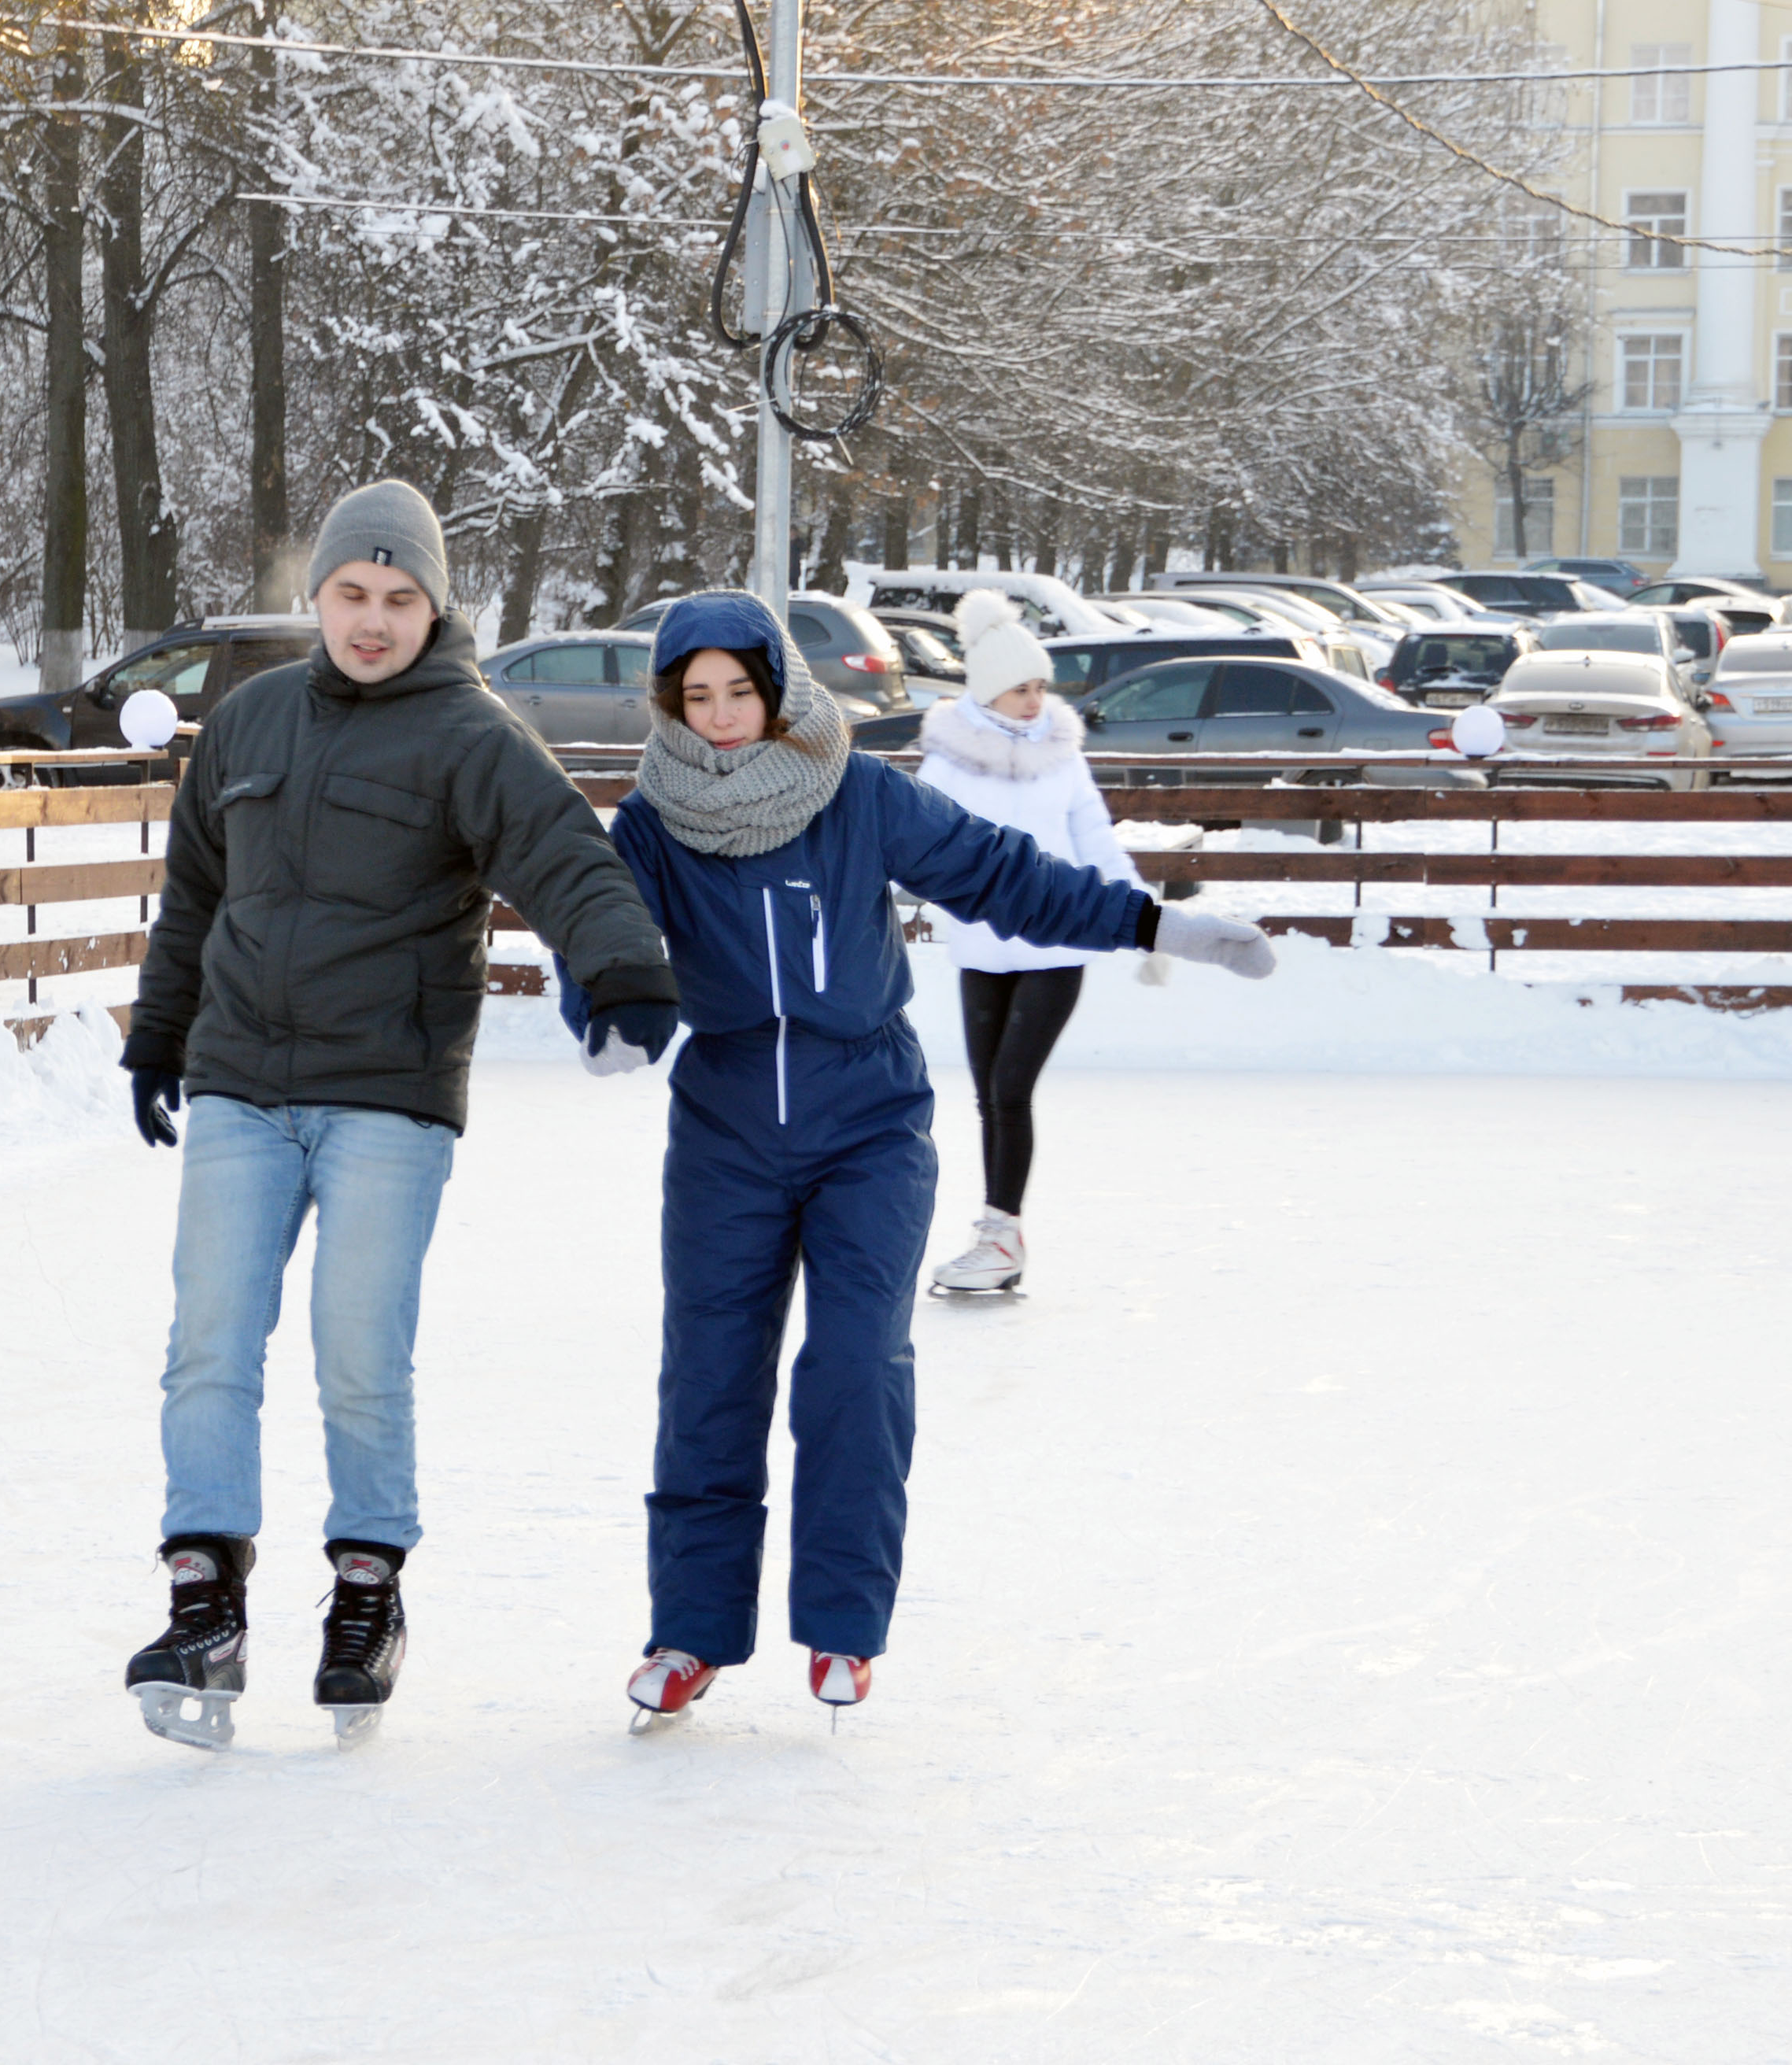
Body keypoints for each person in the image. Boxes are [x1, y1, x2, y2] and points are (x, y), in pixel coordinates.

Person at [571, 589, 1273, 1730]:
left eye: (738, 691)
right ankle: (690, 1630)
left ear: (778, 687)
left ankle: (842, 1630)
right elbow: (604, 929)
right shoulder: (652, 823)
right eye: (694, 698)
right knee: (708, 1376)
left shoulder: (857, 794)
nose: (719, 718)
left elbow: (1007, 875)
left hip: (869, 1125)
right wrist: (604, 1011)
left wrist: (1157, 927)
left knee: (854, 1368)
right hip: (726, 1131)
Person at [116, 480, 679, 1749]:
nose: (373, 622)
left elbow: (560, 849)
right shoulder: (248, 723)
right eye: (352, 595)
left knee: (357, 1349)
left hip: (387, 1093)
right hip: (242, 1084)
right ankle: (203, 1594)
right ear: (317, 594)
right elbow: (194, 897)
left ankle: (366, 1589)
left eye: (400, 598)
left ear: (436, 606)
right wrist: (159, 1034)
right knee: (207, 1334)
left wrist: (627, 962)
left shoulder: (470, 737)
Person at [911, 591, 1149, 1295]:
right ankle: (998, 1232)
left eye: (1042, 686)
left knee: (1012, 1088)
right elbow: (913, 841)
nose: (1035, 700)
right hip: (981, 951)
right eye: (1022, 688)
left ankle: (1003, 1231)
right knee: (989, 1094)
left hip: (1056, 946)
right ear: (989, 691)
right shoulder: (950, 761)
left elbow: (1096, 840)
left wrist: (1147, 920)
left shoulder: (1061, 756)